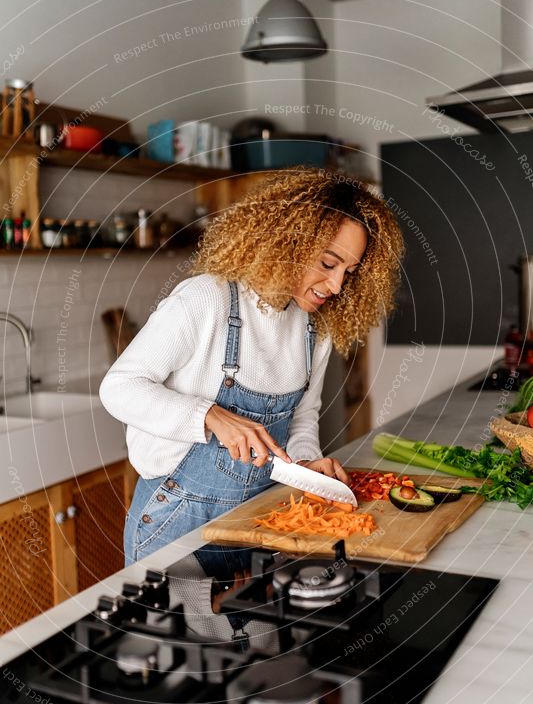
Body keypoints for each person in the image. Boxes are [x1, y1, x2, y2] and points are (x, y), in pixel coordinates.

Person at [99, 167, 404, 565]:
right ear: (286, 241)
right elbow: (119, 388)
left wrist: (307, 464)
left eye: (349, 271)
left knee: (247, 626)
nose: (336, 286)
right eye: (328, 263)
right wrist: (211, 415)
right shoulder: (206, 298)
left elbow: (303, 417)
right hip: (174, 522)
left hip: (257, 522)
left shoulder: (316, 329)